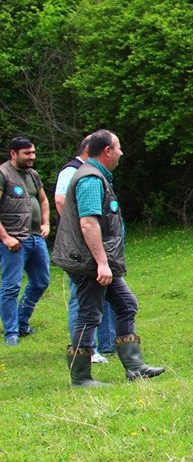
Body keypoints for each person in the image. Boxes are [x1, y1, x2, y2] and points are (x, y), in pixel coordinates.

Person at [52, 129, 164, 387]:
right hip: (90, 262)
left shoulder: (98, 176)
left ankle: (135, 368)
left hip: (100, 261)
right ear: (107, 151)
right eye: (119, 147)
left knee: (126, 304)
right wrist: (102, 263)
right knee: (90, 315)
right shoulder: (90, 179)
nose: (121, 153)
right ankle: (80, 378)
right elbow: (89, 224)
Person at [55, 135, 116, 363]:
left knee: (115, 299)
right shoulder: (75, 172)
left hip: (97, 247)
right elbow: (62, 202)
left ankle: (107, 344)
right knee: (82, 301)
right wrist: (82, 237)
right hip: (82, 250)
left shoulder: (95, 173)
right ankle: (85, 352)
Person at [0, 136, 51, 346]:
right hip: (13, 241)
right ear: (14, 153)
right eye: (27, 153)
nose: (32, 157)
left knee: (41, 282)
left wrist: (46, 223)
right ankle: (11, 333)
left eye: (33, 152)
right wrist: (5, 237)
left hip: (35, 238)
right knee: (11, 287)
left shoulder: (32, 174)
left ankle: (22, 323)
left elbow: (44, 200)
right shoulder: (3, 174)